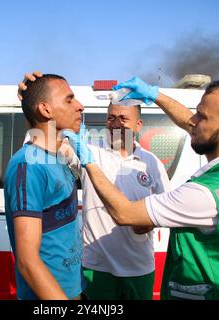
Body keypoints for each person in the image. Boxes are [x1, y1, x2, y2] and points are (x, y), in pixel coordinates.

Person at [63, 77, 219, 300]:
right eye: (195, 113)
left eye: (202, 117)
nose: (192, 122)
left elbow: (125, 213)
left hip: (213, 292)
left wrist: (89, 163)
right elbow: (200, 124)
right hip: (99, 264)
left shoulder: (204, 194)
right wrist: (154, 94)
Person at [4, 73, 85, 300]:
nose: (80, 106)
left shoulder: (58, 156)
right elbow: (27, 262)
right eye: (69, 100)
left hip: (73, 288)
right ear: (46, 110)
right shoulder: (28, 165)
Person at [78, 102, 170, 300]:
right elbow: (52, 146)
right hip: (97, 265)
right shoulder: (89, 153)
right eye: (111, 118)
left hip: (139, 266)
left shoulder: (151, 162)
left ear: (138, 125)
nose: (116, 124)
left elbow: (165, 208)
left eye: (123, 119)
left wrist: (149, 223)